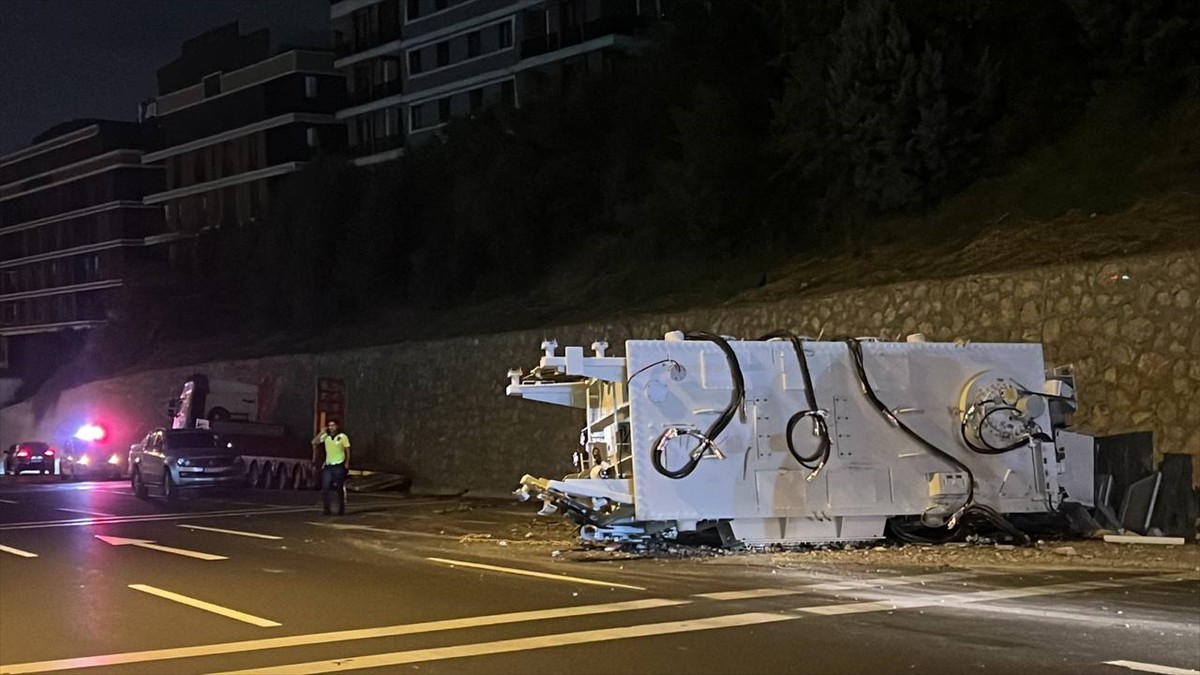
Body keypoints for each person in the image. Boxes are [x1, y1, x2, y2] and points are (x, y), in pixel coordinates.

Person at [311, 419, 351, 516]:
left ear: (337, 426)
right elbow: (314, 442)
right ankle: (327, 509)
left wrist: (347, 462)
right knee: (325, 488)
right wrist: (321, 432)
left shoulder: (342, 437)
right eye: (329, 425)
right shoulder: (326, 437)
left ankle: (341, 509)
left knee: (339, 488)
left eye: (333, 425)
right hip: (328, 465)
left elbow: (347, 450)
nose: (331, 427)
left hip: (339, 465)